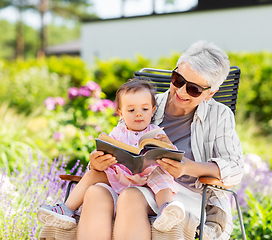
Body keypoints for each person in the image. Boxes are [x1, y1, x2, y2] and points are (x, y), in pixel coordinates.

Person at [77, 40, 244, 240]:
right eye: (178, 80)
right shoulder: (145, 104)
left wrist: (189, 168)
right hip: (130, 182)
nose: (181, 92)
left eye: (194, 89)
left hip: (183, 195)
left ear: (210, 93)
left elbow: (235, 167)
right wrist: (97, 164)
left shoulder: (219, 115)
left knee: (132, 197)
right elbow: (116, 142)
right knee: (95, 194)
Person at [37, 79, 185, 232]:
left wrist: (166, 145)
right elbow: (106, 151)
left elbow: (171, 154)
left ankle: (166, 210)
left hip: (147, 180)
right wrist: (101, 154)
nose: (139, 114)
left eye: (145, 109)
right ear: (121, 113)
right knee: (94, 173)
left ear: (153, 110)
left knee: (162, 176)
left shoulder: (157, 133)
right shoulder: (117, 132)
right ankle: (66, 209)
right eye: (131, 110)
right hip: (121, 175)